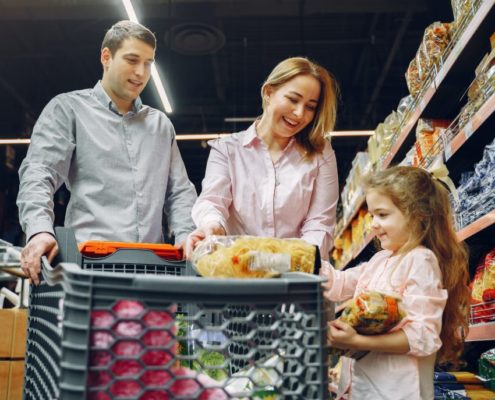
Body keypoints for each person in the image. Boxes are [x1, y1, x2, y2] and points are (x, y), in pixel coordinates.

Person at [17, 20, 197, 284]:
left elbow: (179, 191)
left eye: (148, 63)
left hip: (153, 271)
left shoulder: (160, 126)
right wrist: (39, 231)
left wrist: (187, 235)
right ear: (106, 57)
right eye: (132, 60)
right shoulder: (68, 110)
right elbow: (39, 173)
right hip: (88, 271)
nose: (141, 72)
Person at [322, 166, 470, 400]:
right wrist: (300, 258)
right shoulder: (380, 260)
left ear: (419, 215)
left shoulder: (420, 260)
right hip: (363, 388)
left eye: (382, 215)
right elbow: (339, 282)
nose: (372, 225)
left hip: (398, 391)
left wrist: (356, 341)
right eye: (372, 215)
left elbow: (423, 335)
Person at [185, 57, 339, 260]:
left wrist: (293, 261)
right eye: (293, 99)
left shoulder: (320, 153)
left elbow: (320, 222)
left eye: (310, 107)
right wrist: (212, 227)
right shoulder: (227, 150)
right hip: (238, 271)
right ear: (269, 92)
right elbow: (212, 202)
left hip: (297, 277)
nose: (300, 113)